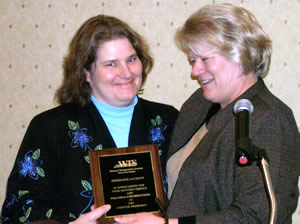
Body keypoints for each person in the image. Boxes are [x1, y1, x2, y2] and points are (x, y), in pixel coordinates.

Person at [114, 3, 300, 224]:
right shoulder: (198, 104)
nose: (195, 71)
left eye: (204, 59)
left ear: (239, 54)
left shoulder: (268, 119)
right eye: (193, 61)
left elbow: (257, 216)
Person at [0, 15, 178, 223]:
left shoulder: (168, 120)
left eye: (131, 59)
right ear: (85, 72)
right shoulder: (49, 127)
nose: (127, 72)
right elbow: (17, 209)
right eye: (111, 64)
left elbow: (194, 196)